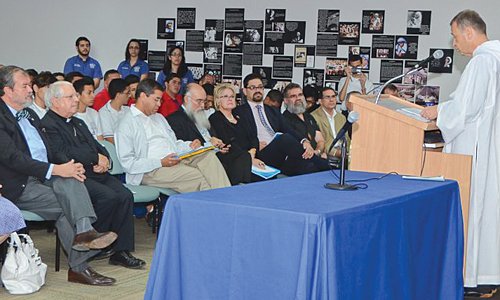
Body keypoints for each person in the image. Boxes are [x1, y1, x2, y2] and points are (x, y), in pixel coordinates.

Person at [0, 66, 118, 285]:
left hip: (43, 176)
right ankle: (80, 264)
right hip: (20, 183)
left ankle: (84, 235)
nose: (30, 90)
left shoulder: (30, 115)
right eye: (25, 86)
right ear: (7, 90)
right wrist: (56, 169)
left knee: (73, 179)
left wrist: (68, 166)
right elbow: (13, 159)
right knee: (67, 206)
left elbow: (48, 149)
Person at [420, 10, 500, 298]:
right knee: (488, 209)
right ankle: (489, 273)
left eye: (455, 36)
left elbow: (466, 109)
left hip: (475, 149)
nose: (454, 43)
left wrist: (438, 111)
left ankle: (473, 277)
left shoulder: (483, 61)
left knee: (474, 207)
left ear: (469, 32)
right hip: (491, 147)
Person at [40, 81, 144, 270]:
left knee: (125, 195)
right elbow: (62, 154)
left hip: (95, 172)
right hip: (73, 176)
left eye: (75, 95)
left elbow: (99, 146)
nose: (76, 99)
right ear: (55, 101)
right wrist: (95, 158)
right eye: (70, 97)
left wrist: (105, 160)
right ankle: (93, 241)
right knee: (109, 197)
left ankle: (120, 251)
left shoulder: (78, 122)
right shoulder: (48, 124)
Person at [115, 79, 230, 193]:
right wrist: (160, 162)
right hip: (148, 171)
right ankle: (218, 206)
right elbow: (128, 163)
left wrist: (189, 146)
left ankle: (225, 199)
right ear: (143, 96)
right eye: (156, 99)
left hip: (174, 159)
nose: (159, 104)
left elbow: (173, 144)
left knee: (208, 157)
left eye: (160, 100)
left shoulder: (159, 118)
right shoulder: (126, 123)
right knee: (194, 175)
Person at [233, 73, 328, 176]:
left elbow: (289, 129)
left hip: (280, 155)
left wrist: (304, 141)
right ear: (245, 91)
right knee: (284, 138)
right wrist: (254, 145)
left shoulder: (273, 111)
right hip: (260, 153)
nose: (257, 90)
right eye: (252, 87)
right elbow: (238, 138)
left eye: (260, 87)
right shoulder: (239, 112)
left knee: (307, 166)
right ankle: (325, 165)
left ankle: (321, 168)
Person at [168, 83, 252, 185]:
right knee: (237, 160)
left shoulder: (200, 115)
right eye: (199, 101)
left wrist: (219, 146)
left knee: (244, 156)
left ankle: (240, 189)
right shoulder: (175, 119)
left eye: (204, 101)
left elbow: (212, 137)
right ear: (187, 99)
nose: (203, 106)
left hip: (214, 153)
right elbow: (184, 147)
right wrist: (208, 144)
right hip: (198, 159)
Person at [282, 83, 329, 162]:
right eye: (293, 96)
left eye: (300, 95)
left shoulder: (309, 117)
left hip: (315, 157)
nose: (298, 98)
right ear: (286, 101)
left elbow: (321, 140)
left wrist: (317, 152)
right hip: (300, 160)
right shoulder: (284, 119)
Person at [311, 87, 350, 157]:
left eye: (333, 96)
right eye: (327, 97)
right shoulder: (314, 117)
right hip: (326, 155)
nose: (331, 100)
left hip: (343, 154)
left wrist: (348, 152)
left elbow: (346, 139)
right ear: (320, 101)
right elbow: (319, 142)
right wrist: (336, 153)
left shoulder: (341, 117)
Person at [98, 78, 130, 144]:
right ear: (118, 95)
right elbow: (109, 139)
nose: (129, 96)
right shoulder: (104, 113)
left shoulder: (128, 110)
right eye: (127, 93)